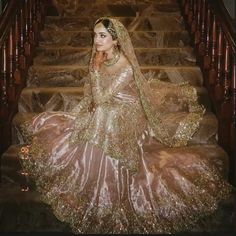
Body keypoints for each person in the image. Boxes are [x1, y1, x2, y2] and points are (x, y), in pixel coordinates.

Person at [19, 17, 233, 234]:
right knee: (92, 116)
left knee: (105, 114)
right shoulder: (101, 56)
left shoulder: (126, 67)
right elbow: (93, 96)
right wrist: (81, 109)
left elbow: (101, 99)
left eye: (102, 36)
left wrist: (94, 71)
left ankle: (108, 165)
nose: (96, 40)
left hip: (129, 108)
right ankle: (90, 157)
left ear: (116, 40)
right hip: (109, 103)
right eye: (95, 35)